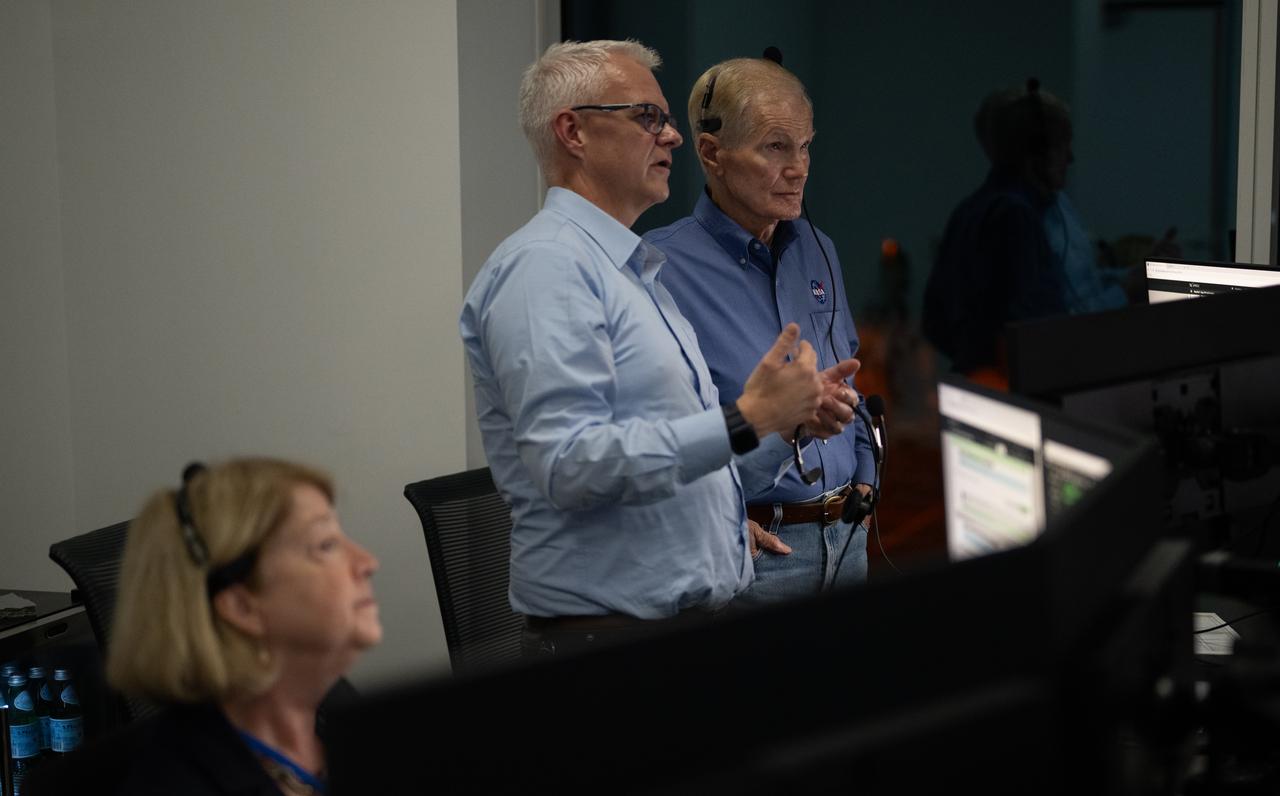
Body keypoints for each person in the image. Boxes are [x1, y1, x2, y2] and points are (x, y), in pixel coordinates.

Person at [460, 40, 855, 656]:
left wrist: (779, 426)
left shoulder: (628, 271)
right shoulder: (548, 268)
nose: (671, 136)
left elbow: (697, 470)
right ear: (574, 132)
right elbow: (571, 466)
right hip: (611, 645)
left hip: (675, 631)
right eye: (648, 117)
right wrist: (745, 417)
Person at [645, 56, 876, 606]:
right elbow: (653, 445)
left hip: (849, 539)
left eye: (805, 146)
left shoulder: (819, 250)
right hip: (754, 554)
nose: (799, 168)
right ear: (711, 153)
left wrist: (866, 475)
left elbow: (851, 378)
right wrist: (713, 516)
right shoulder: (657, 270)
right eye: (776, 147)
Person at [30, 458, 380, 795]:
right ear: (242, 606)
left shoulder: (339, 712)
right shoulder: (177, 785)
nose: (367, 562)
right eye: (326, 545)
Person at [923, 81, 1074, 386]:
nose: (1070, 158)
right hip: (1013, 396)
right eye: (1062, 145)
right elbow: (1034, 334)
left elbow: (934, 320)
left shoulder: (971, 209)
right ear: (1036, 152)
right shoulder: (1015, 217)